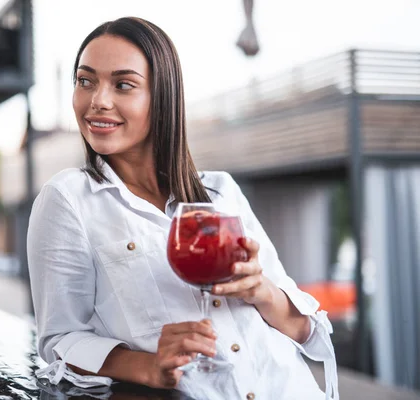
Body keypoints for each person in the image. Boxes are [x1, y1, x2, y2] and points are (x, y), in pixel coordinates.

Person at [27, 17, 339, 400]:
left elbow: (303, 332)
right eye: (85, 80)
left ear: (163, 97)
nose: (98, 100)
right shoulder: (69, 198)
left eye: (123, 85)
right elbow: (60, 338)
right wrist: (147, 365)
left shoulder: (220, 193)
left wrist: (262, 290)